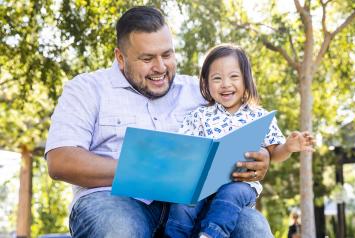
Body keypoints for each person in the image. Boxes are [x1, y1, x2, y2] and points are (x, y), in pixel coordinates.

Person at [45, 6, 276, 238]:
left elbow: (243, 124)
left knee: (252, 228)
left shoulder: (201, 91)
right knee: (119, 229)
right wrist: (148, 170)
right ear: (120, 58)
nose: (160, 67)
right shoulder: (87, 89)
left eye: (167, 55)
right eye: (147, 59)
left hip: (195, 205)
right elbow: (61, 161)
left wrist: (261, 156)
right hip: (113, 201)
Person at [164, 44, 314, 238]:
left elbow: (274, 153)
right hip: (202, 183)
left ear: (246, 79)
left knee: (231, 194)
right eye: (217, 78)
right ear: (206, 83)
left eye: (234, 77)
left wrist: (289, 147)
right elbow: (185, 147)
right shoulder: (200, 115)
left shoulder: (259, 116)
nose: (225, 84)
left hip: (241, 183)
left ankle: (211, 235)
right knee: (183, 203)